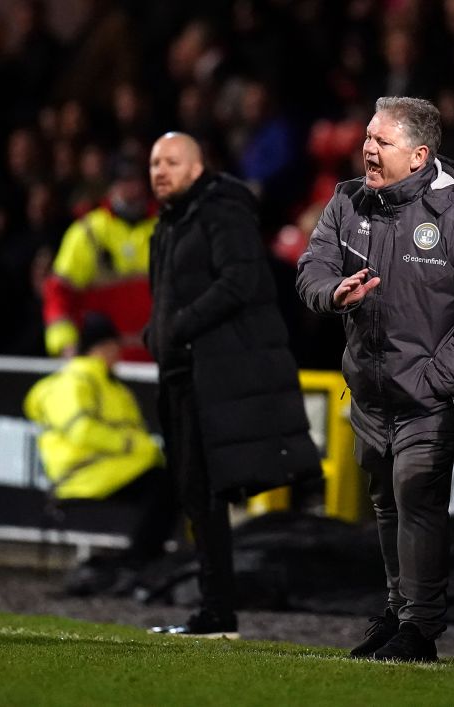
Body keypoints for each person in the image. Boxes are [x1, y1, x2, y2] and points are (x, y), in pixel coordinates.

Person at [297, 97, 454, 662]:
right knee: (387, 504)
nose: (367, 148)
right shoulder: (347, 202)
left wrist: (437, 378)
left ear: (418, 156)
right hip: (370, 395)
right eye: (368, 136)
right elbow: (312, 267)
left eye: (381, 141)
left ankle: (421, 630)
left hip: (431, 398)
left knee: (416, 497)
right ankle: (399, 614)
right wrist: (332, 293)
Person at [144, 132, 320, 639]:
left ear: (198, 168)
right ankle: (214, 612)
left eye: (172, 161)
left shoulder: (221, 212)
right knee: (195, 495)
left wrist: (176, 327)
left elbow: (243, 281)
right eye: (155, 162)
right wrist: (154, 334)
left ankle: (218, 613)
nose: (160, 170)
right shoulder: (169, 225)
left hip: (214, 374)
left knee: (205, 492)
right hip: (180, 372)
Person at [23, 312, 177, 595]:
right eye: (114, 346)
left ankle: (142, 562)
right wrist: (133, 447)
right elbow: (81, 430)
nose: (118, 353)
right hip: (83, 475)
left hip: (106, 471)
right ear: (102, 347)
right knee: (165, 486)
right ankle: (138, 563)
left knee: (170, 483)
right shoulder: (76, 381)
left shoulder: (108, 384)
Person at [42, 156, 157, 361]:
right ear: (112, 185)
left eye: (136, 181)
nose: (132, 189)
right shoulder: (88, 232)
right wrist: (64, 344)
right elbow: (58, 294)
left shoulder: (165, 227)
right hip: (103, 361)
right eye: (125, 181)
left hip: (157, 358)